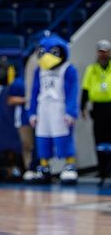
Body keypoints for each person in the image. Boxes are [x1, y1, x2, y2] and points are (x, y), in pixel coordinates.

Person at [28, 35, 80, 184]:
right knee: (42, 136)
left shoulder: (68, 69)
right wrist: (32, 112)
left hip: (60, 107)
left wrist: (71, 111)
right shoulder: (39, 70)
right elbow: (34, 91)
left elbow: (72, 91)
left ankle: (69, 165)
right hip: (43, 107)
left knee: (63, 136)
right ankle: (44, 166)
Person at [81, 39, 111, 185]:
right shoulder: (91, 69)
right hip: (98, 108)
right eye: (101, 51)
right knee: (98, 139)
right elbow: (85, 89)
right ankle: (102, 168)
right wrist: (82, 107)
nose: (103, 54)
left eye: (105, 51)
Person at [7, 73, 35, 180]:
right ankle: (29, 169)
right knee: (27, 145)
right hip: (23, 119)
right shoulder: (19, 82)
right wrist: (28, 100)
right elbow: (10, 100)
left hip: (40, 118)